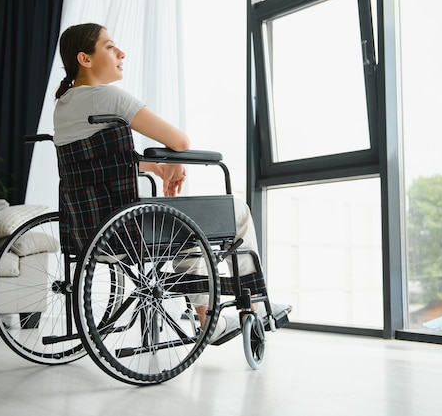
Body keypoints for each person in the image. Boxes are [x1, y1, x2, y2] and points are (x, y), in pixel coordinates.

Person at [53, 23, 289, 344]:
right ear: (86, 59)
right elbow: (180, 139)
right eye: (110, 47)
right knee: (234, 211)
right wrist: (175, 159)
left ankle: (209, 314)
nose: (121, 53)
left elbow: (104, 163)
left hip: (90, 233)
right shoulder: (107, 97)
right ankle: (252, 305)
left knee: (183, 222)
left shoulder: (65, 105)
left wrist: (160, 168)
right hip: (128, 233)